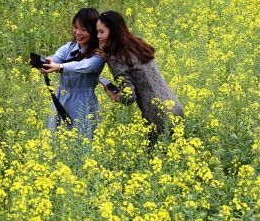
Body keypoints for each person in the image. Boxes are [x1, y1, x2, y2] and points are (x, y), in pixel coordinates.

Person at [96, 10, 184, 141]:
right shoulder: (137, 44)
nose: (98, 36)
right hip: (175, 108)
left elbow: (129, 97)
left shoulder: (117, 58)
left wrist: (115, 96)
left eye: (101, 32)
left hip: (157, 116)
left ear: (113, 32)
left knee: (153, 153)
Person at [40, 8, 105, 139]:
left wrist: (59, 67)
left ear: (93, 31)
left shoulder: (98, 55)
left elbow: (84, 66)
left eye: (83, 29)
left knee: (81, 140)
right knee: (56, 140)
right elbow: (56, 57)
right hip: (61, 98)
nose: (78, 33)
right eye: (75, 27)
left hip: (82, 103)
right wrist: (46, 62)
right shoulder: (69, 47)